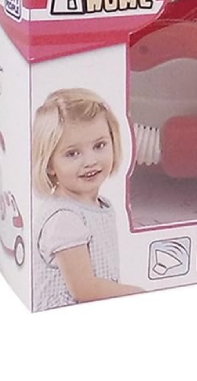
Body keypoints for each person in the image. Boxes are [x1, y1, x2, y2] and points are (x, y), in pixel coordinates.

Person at [31, 88, 141, 311]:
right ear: (50, 164)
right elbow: (85, 290)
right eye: (72, 153)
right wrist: (139, 293)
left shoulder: (96, 206)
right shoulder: (64, 219)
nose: (90, 161)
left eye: (99, 146)